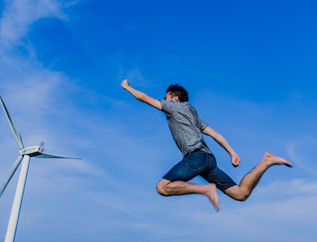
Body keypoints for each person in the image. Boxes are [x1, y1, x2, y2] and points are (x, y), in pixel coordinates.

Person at [121, 79, 292, 211]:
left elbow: (143, 98)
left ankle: (206, 190)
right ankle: (266, 161)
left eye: (166, 97)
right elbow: (216, 135)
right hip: (209, 160)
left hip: (195, 156)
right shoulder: (193, 113)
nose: (164, 100)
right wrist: (232, 152)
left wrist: (127, 87)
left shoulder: (173, 106)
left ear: (175, 98)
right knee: (240, 194)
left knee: (162, 187)